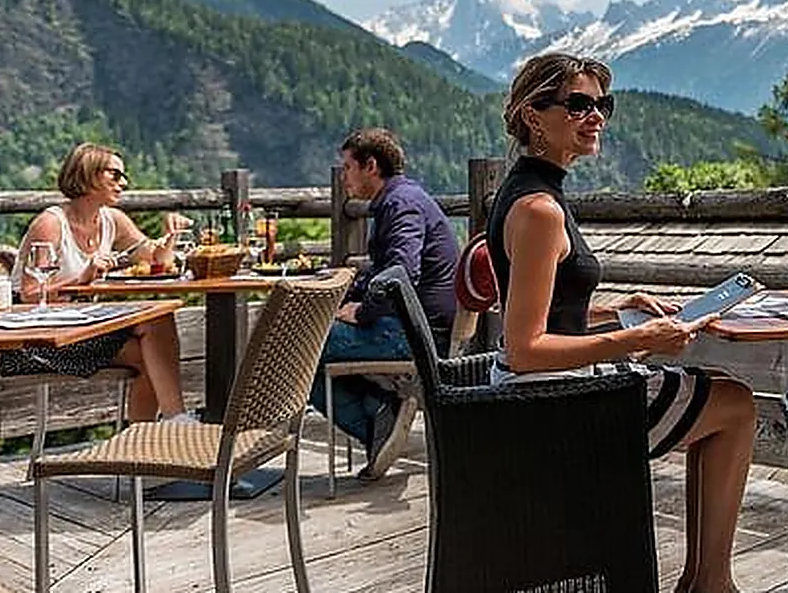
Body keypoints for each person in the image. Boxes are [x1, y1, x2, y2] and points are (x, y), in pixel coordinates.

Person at [490, 52, 757, 593]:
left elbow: (538, 309)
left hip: (540, 394)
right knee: (735, 406)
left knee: (723, 396)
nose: (596, 116)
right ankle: (710, 583)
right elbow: (524, 347)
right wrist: (635, 338)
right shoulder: (540, 211)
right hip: (556, 408)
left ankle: (706, 581)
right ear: (533, 114)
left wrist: (615, 308)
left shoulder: (529, 192)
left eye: (602, 104)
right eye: (578, 104)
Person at [308, 127, 459, 480]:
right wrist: (349, 295)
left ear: (371, 165)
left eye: (348, 167)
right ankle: (379, 414)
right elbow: (385, 271)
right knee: (305, 352)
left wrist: (362, 312)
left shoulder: (400, 204)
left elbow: (401, 272)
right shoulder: (402, 198)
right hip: (416, 325)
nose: (344, 176)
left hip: (418, 335)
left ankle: (378, 415)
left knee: (300, 345)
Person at [8, 142, 194, 423]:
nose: (124, 183)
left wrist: (171, 235)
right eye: (115, 175)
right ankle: (164, 427)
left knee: (158, 323)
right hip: (36, 341)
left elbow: (156, 259)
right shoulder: (51, 224)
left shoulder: (111, 220)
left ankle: (164, 426)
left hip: (82, 328)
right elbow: (30, 294)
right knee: (151, 355)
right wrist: (82, 278)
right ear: (88, 174)